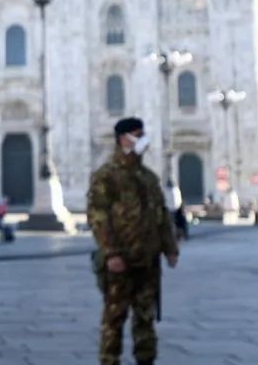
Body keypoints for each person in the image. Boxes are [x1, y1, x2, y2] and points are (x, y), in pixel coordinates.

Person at [87, 117, 179, 365]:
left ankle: (146, 361)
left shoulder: (148, 178)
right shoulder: (107, 175)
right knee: (114, 318)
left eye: (143, 134)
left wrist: (170, 248)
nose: (142, 139)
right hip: (121, 260)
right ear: (123, 138)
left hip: (148, 260)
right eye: (137, 135)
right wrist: (111, 253)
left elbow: (161, 214)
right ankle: (109, 361)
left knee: (145, 317)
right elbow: (98, 217)